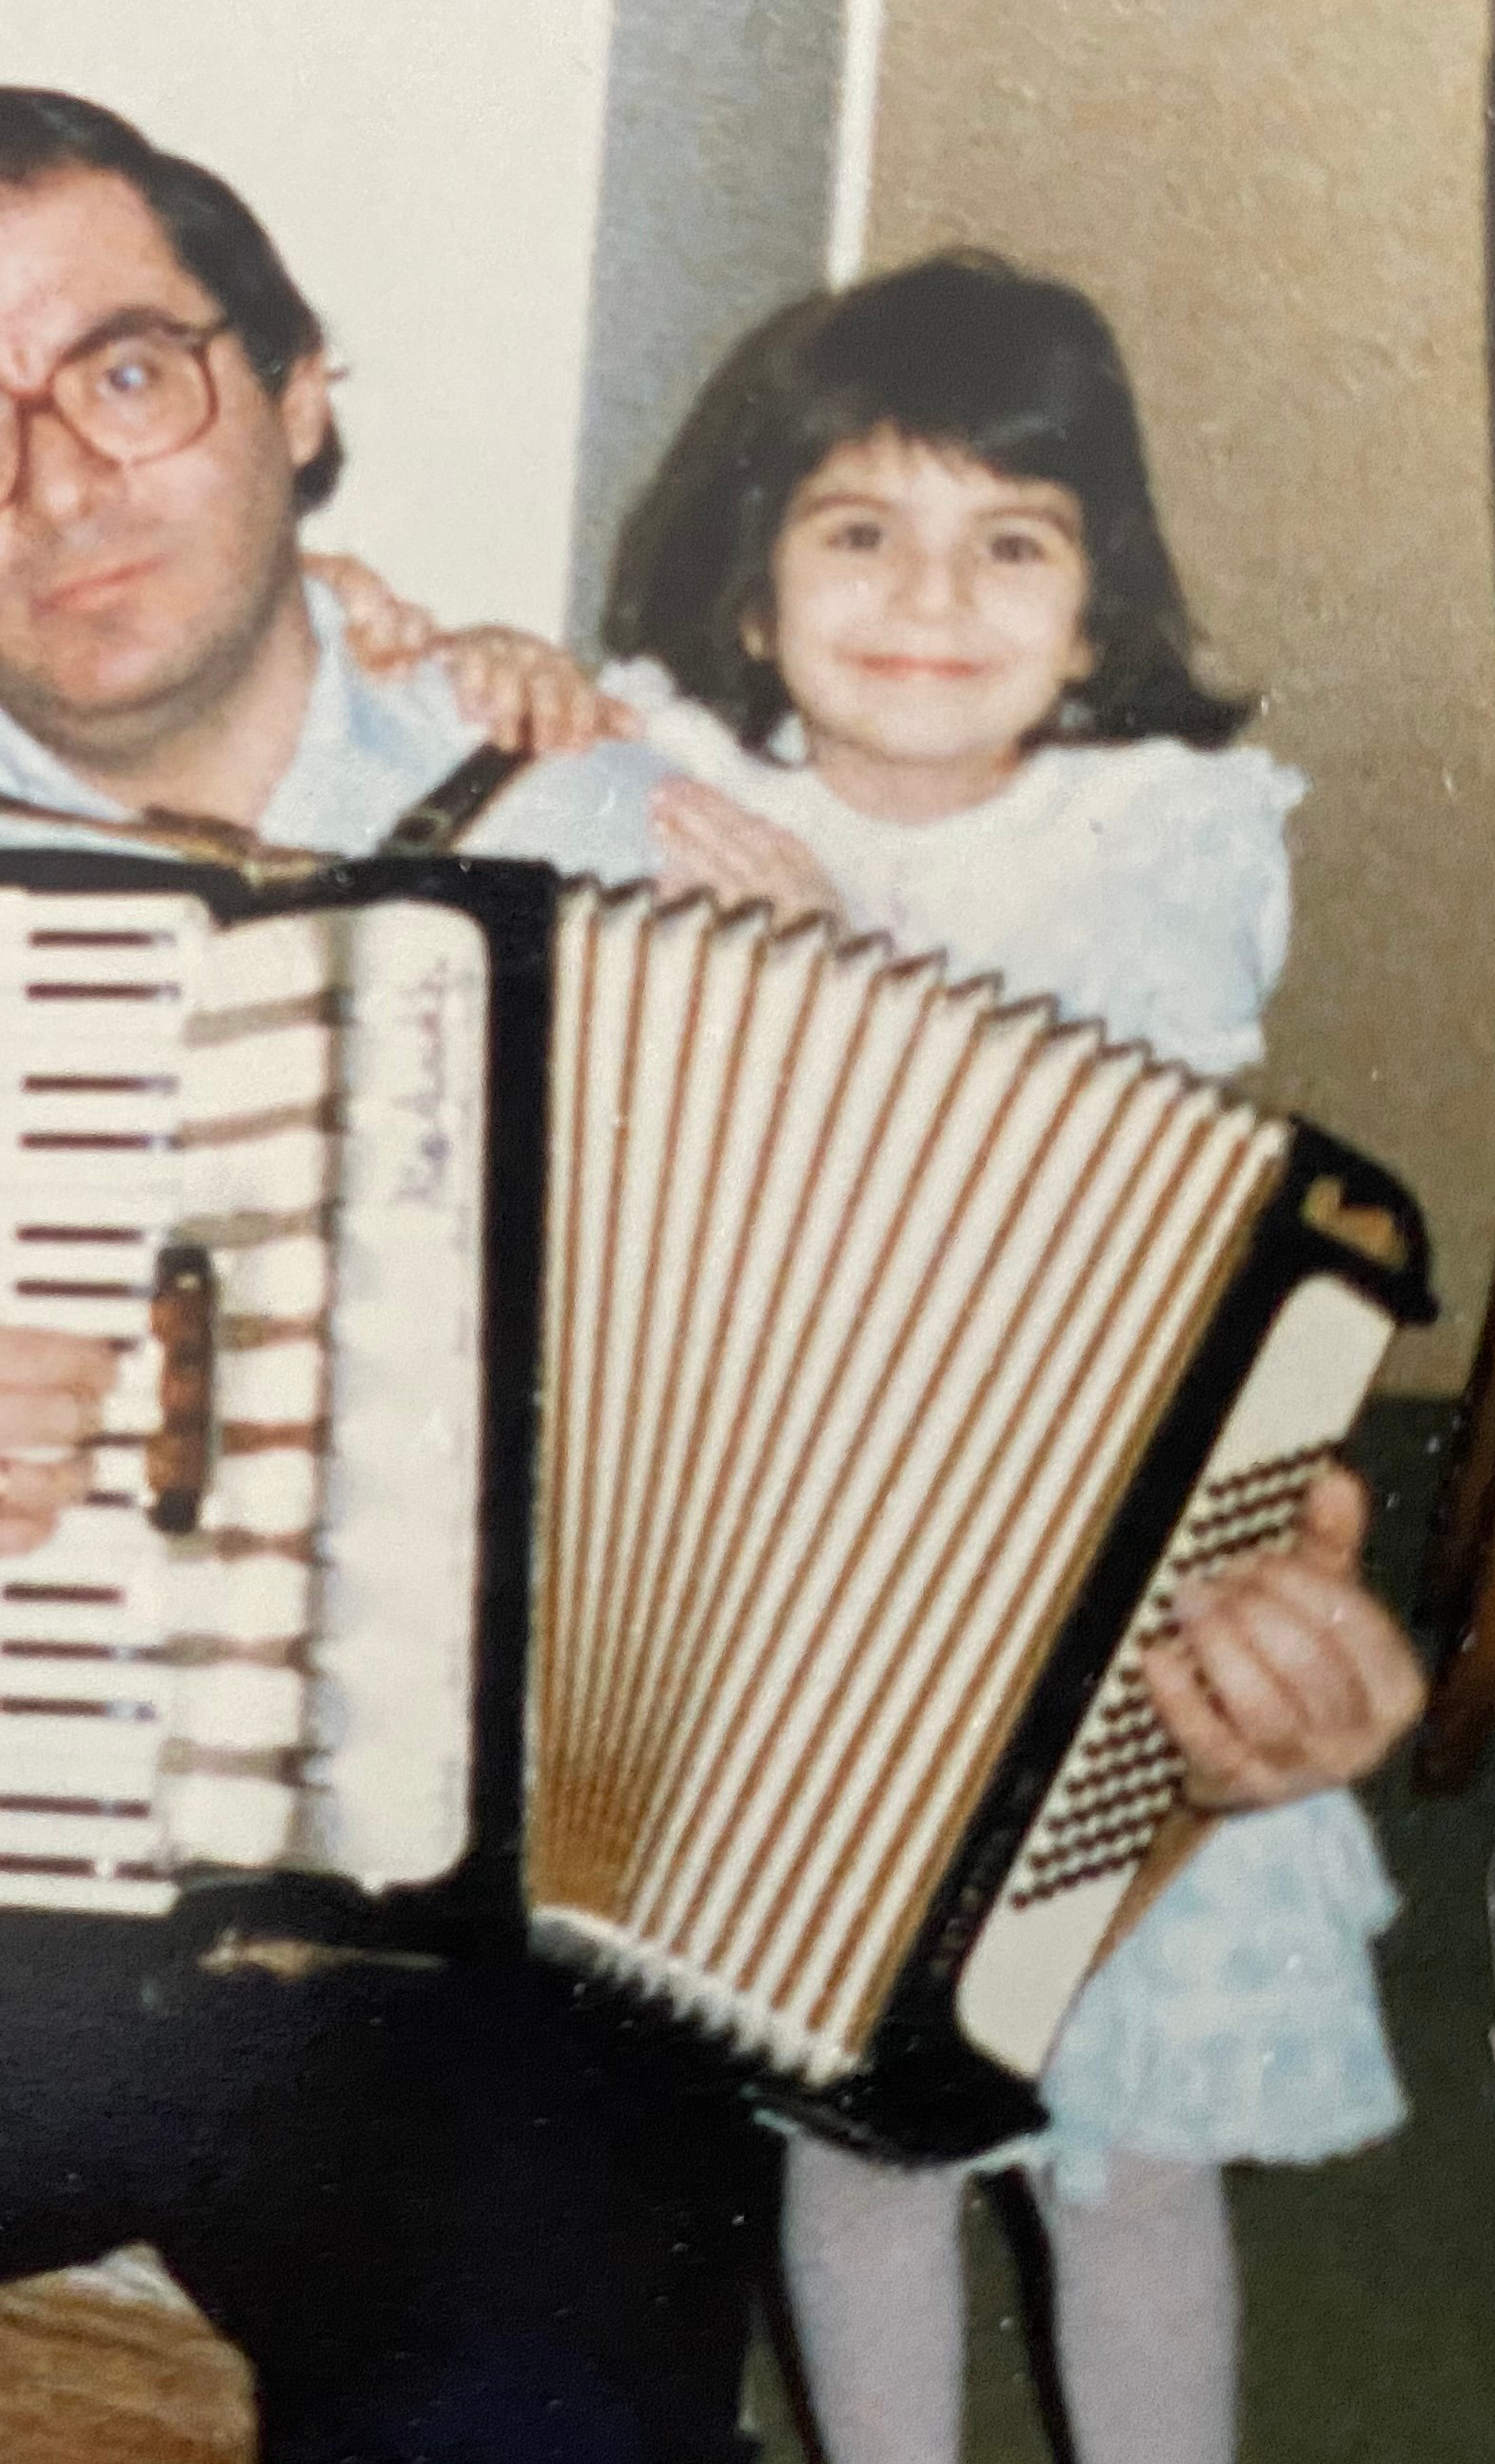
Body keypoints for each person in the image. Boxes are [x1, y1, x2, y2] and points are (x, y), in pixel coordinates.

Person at [0, 92, 1429, 2463]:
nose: (59, 483)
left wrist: (1234, 1655)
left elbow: (998, 1389)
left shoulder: (623, 830)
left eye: (132, 375)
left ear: (299, 392)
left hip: (511, 1952)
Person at [583, 254, 1413, 2464]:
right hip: (815, 1609)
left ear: (1098, 599)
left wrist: (827, 947)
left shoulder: (1155, 837)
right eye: (859, 533)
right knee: (859, 2147)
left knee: (1126, 2158)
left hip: (1097, 1598)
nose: (929, 599)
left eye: (1010, 544)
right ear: (753, 595)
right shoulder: (673, 784)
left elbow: (1104, 1092)